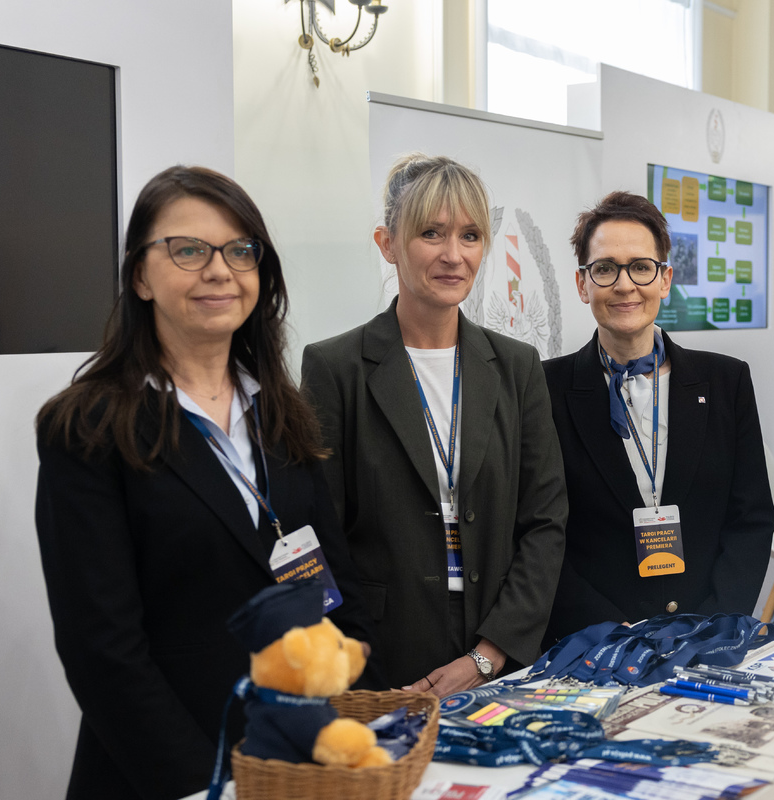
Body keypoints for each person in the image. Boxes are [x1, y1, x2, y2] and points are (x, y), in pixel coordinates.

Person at [35, 166, 376, 800]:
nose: (219, 271)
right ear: (141, 276)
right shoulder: (88, 428)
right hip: (166, 776)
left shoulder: (283, 413)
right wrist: (208, 785)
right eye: (188, 250)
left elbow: (337, 593)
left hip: (293, 759)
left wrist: (333, 722)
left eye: (240, 250)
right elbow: (103, 652)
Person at [301, 153, 567, 697]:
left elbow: (545, 521)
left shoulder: (516, 366)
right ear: (387, 244)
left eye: (470, 236)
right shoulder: (336, 368)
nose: (454, 255)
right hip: (379, 659)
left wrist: (490, 654)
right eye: (431, 233)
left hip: (498, 651)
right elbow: (316, 535)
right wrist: (352, 664)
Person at [542, 191, 774, 644]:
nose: (625, 285)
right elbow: (541, 535)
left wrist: (710, 627)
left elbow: (750, 519)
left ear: (665, 279)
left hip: (707, 638)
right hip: (596, 644)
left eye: (641, 267)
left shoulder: (725, 381)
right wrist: (609, 631)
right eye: (605, 269)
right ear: (582, 284)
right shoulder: (545, 389)